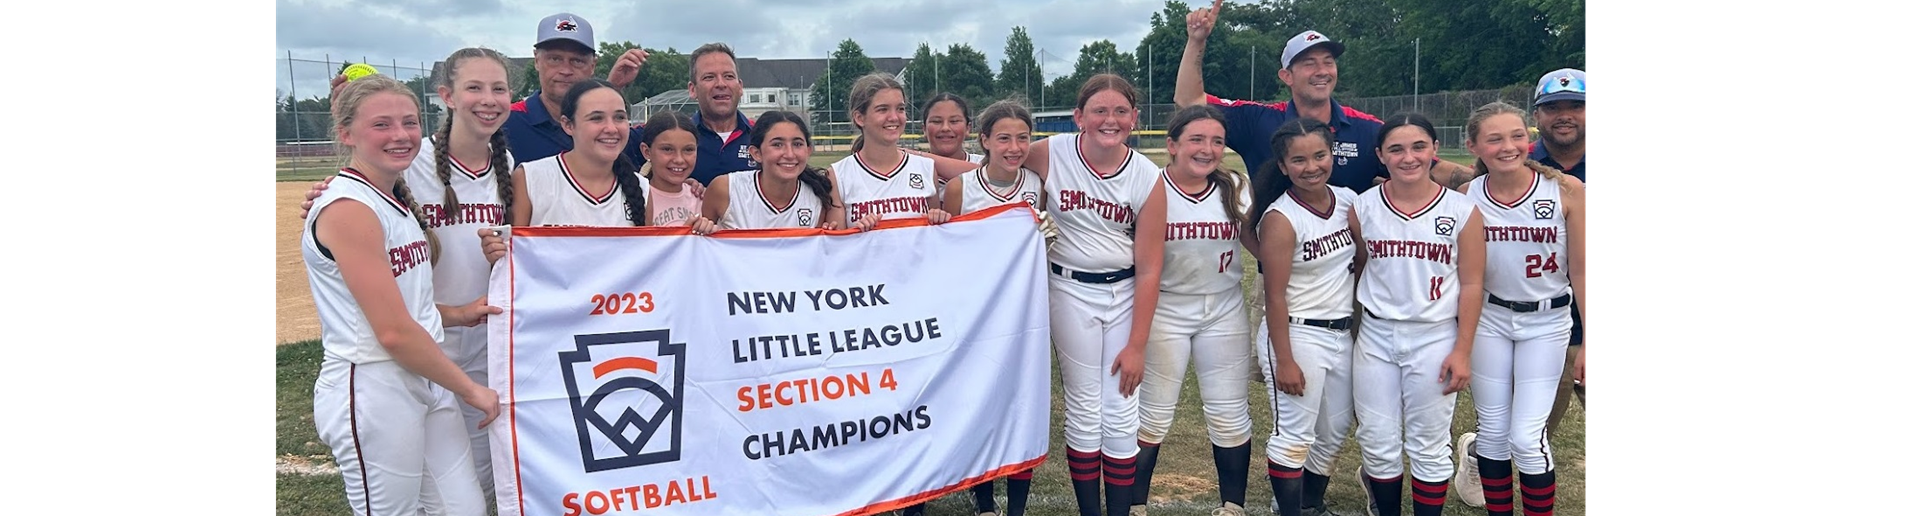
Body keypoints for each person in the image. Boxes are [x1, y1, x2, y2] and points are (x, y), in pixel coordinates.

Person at [303, 74, 500, 516]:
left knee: (463, 508)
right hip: (374, 384)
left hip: (424, 373)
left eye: (409, 122)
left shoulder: (393, 200)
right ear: (346, 133)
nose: (400, 135)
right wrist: (471, 390)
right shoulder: (350, 207)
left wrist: (458, 313)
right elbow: (391, 332)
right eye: (382, 125)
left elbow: (405, 307)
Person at [1014, 73, 1168, 516]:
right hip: (1067, 288)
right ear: (1078, 116)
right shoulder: (1051, 151)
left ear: (1135, 118)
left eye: (1121, 111)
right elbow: (989, 168)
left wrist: (1137, 345)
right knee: (1084, 406)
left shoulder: (1145, 174)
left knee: (1121, 408)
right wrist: (912, 159)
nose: (1110, 119)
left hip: (1123, 291)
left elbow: (1150, 268)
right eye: (1099, 110)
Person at [1450, 101, 1585, 516]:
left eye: (1516, 136)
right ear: (1473, 145)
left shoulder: (1566, 190)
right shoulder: (1466, 196)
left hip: (1547, 321)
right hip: (1490, 318)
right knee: (1492, 434)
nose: (1508, 146)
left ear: (1529, 139)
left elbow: (1581, 271)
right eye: (1494, 139)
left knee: (1526, 437)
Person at [1350, 113, 1484, 516]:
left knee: (1428, 441)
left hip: (1435, 334)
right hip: (1376, 335)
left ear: (1434, 149)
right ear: (1380, 155)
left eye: (1418, 146)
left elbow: (1473, 284)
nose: (1408, 157)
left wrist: (1463, 350)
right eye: (1396, 149)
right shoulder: (1362, 206)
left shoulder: (1462, 210)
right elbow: (1358, 266)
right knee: (1376, 438)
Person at [1128, 104, 1255, 516]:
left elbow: (1263, 243)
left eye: (1217, 141)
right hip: (1166, 307)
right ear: (1172, 145)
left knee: (1230, 412)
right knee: (1152, 415)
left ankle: (1232, 505)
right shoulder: (1150, 187)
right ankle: (1135, 504)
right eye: (1196, 139)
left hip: (1223, 308)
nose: (1208, 149)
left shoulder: (1235, 186)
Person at [1245, 117, 1363, 516]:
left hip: (1340, 332)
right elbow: (1275, 297)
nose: (1311, 166)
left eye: (1319, 155)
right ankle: (1289, 510)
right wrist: (1286, 360)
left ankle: (1311, 505)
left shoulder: (1348, 200)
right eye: (1298, 160)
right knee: (1294, 434)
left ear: (1332, 154)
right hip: (1298, 334)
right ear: (1283, 167)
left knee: (1333, 432)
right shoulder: (1281, 218)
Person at [940, 99, 1046, 516]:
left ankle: (1016, 506)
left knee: (1023, 403)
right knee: (979, 403)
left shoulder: (1037, 184)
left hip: (1022, 313)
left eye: (1022, 138)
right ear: (983, 140)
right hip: (974, 313)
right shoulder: (960, 188)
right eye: (1003, 137)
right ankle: (984, 501)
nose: (1014, 147)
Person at [500, 12, 648, 165]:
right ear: (537, 60)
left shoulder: (614, 133)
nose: (565, 70)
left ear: (593, 66)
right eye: (554, 59)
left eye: (577, 61)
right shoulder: (506, 122)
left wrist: (612, 88)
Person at [830, 73, 968, 233]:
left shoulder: (926, 168)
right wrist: (857, 232)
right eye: (882, 109)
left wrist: (939, 219)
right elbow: (835, 247)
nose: (894, 117)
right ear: (860, 118)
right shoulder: (838, 175)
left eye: (900, 109)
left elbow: (933, 236)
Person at [1531, 68, 1586, 438]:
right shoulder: (1515, 163)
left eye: (1576, 106)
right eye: (1552, 107)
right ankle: (1476, 454)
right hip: (1540, 318)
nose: (1564, 115)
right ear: (1537, 116)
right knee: (1531, 430)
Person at [702, 110, 849, 230]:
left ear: (808, 150)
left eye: (797, 144)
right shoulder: (726, 189)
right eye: (777, 145)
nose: (790, 154)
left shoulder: (817, 198)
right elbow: (700, 248)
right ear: (756, 153)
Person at [680, 42, 760, 185]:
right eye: (709, 77)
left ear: (740, 87)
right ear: (693, 89)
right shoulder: (677, 137)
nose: (721, 84)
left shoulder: (761, 136)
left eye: (728, 76)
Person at [637, 111, 705, 226]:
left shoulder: (701, 198)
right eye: (667, 149)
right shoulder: (635, 198)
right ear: (647, 152)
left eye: (688, 150)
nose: (679, 159)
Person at [923, 92, 984, 210]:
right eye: (936, 121)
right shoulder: (909, 169)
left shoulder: (985, 164)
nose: (945, 128)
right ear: (924, 129)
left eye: (954, 121)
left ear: (968, 128)